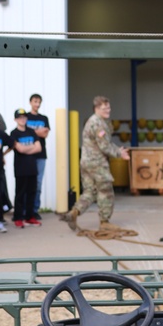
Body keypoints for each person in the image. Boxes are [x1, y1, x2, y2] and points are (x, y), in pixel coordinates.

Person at [61, 96, 130, 231]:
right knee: (106, 191)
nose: (108, 110)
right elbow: (104, 146)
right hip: (97, 163)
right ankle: (105, 222)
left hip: (86, 163)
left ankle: (74, 213)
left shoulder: (94, 121)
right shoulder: (98, 124)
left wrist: (116, 149)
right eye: (104, 108)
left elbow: (104, 144)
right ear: (97, 109)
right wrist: (119, 153)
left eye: (109, 107)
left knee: (90, 191)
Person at [9, 108, 43, 228]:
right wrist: (30, 148)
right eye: (19, 117)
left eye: (24, 117)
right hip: (20, 168)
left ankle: (30, 217)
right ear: (15, 119)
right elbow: (20, 149)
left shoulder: (31, 132)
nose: (22, 119)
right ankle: (18, 217)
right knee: (20, 193)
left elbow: (39, 148)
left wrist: (25, 149)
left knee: (31, 193)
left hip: (32, 168)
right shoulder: (14, 133)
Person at [25, 93, 50, 219]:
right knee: (26, 182)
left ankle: (34, 209)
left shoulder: (44, 118)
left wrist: (32, 131)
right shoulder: (26, 117)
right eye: (35, 101)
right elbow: (23, 132)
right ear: (30, 102)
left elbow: (45, 134)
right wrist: (38, 132)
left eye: (39, 102)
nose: (37, 104)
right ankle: (25, 209)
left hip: (41, 155)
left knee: (38, 183)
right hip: (28, 154)